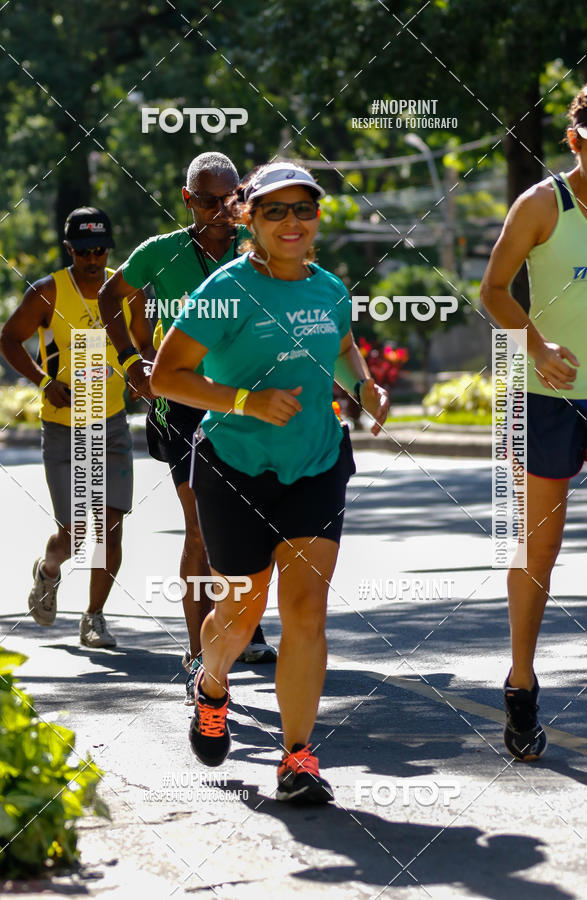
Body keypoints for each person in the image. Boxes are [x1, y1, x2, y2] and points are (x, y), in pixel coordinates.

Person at [151, 161, 389, 803]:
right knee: (241, 607)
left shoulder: (330, 288)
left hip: (315, 462)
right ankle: (212, 686)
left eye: (303, 209)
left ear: (318, 217)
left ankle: (297, 757)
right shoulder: (224, 292)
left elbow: (340, 345)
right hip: (235, 470)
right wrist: (245, 402)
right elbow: (166, 378)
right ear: (248, 218)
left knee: (307, 610)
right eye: (275, 211)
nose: (292, 222)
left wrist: (363, 386)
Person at [98, 152, 276, 705]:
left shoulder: (261, 250)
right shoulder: (160, 252)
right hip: (182, 406)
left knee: (254, 522)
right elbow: (110, 298)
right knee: (200, 526)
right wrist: (133, 363)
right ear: (186, 199)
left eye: (230, 200)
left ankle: (242, 621)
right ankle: (198, 654)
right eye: (208, 200)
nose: (221, 210)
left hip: (245, 403)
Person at [481, 79, 587, 761]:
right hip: (547, 396)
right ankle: (521, 682)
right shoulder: (542, 204)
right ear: (573, 141)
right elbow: (492, 290)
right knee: (540, 548)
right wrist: (537, 345)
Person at [0, 207, 153, 647]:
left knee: (110, 527)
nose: (93, 259)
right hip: (64, 428)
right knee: (77, 535)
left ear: (110, 248)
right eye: (84, 251)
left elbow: (145, 344)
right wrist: (44, 382)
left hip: (111, 423)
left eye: (100, 249)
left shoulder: (128, 293)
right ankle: (49, 569)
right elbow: (8, 338)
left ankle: (94, 617)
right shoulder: (49, 292)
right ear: (70, 250)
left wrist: (145, 374)